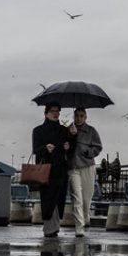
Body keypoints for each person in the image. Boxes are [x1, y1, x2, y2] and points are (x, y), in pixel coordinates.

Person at [31, 102, 71, 237]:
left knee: (58, 198)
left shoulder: (64, 130)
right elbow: (35, 149)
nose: (55, 114)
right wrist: (45, 149)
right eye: (53, 111)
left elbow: (70, 149)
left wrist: (69, 145)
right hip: (46, 170)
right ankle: (50, 228)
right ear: (46, 113)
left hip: (60, 170)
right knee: (48, 199)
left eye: (58, 111)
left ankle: (53, 227)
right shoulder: (38, 130)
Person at [67, 108, 103, 237]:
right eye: (76, 115)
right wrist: (71, 137)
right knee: (76, 197)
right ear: (73, 116)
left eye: (81, 116)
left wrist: (88, 152)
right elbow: (64, 147)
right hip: (73, 168)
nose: (78, 118)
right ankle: (79, 227)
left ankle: (85, 217)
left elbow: (98, 147)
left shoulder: (91, 131)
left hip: (87, 166)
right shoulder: (68, 130)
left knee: (86, 199)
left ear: (85, 117)